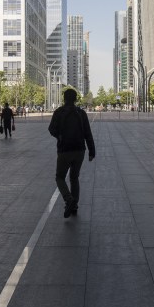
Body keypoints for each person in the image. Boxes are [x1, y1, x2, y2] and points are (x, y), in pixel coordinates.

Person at [48, 88, 96, 218]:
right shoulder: (81, 113)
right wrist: (92, 151)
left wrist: (59, 136)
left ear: (64, 98)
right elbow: (88, 133)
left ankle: (68, 199)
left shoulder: (59, 112)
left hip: (64, 150)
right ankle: (74, 205)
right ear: (75, 99)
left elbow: (51, 129)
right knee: (74, 178)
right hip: (79, 150)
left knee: (59, 177)